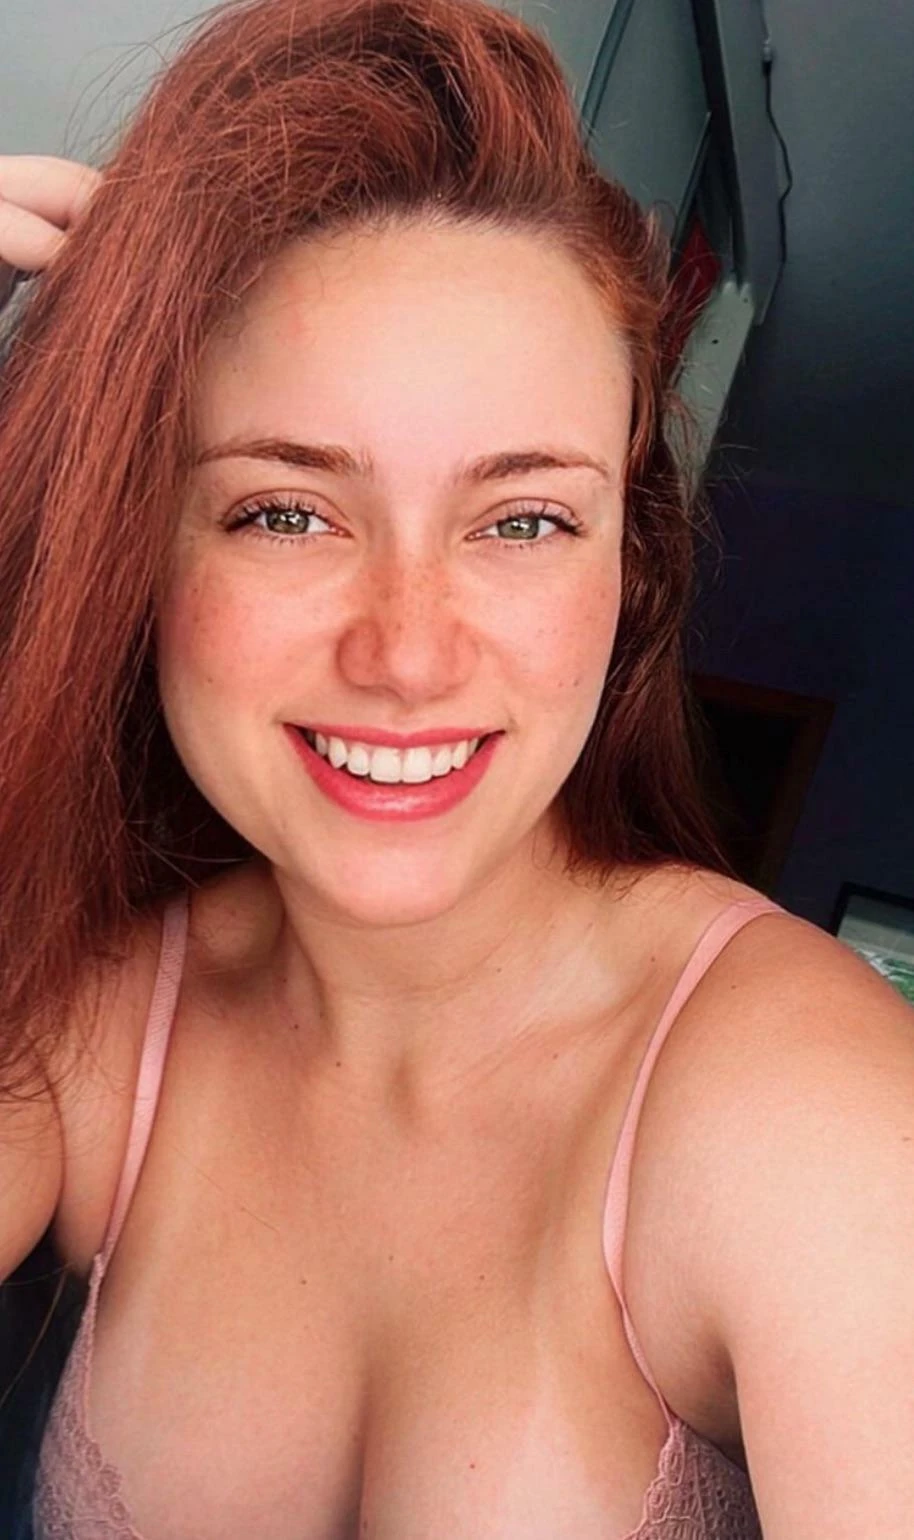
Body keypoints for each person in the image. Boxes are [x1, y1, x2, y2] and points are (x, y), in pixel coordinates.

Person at [1, 1, 912, 1535]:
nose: (408, 653)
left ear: (629, 566)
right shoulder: (95, 1015)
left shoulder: (807, 1112)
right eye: (286, 512)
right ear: (136, 550)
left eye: (522, 520)